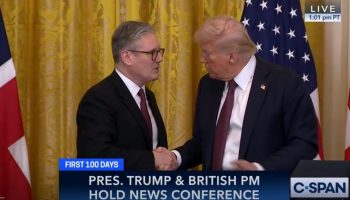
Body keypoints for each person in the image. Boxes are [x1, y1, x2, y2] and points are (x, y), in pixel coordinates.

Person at [173, 16, 318, 172]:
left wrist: (260, 170)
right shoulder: (208, 85)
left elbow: (304, 144)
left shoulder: (285, 84)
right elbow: (204, 143)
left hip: (263, 190)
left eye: (207, 54)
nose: (202, 60)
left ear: (232, 57)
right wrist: (176, 157)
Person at [76, 21, 176, 170]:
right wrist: (152, 159)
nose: (159, 59)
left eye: (159, 51)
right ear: (127, 57)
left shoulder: (148, 96)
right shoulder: (98, 99)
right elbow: (94, 158)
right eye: (152, 53)